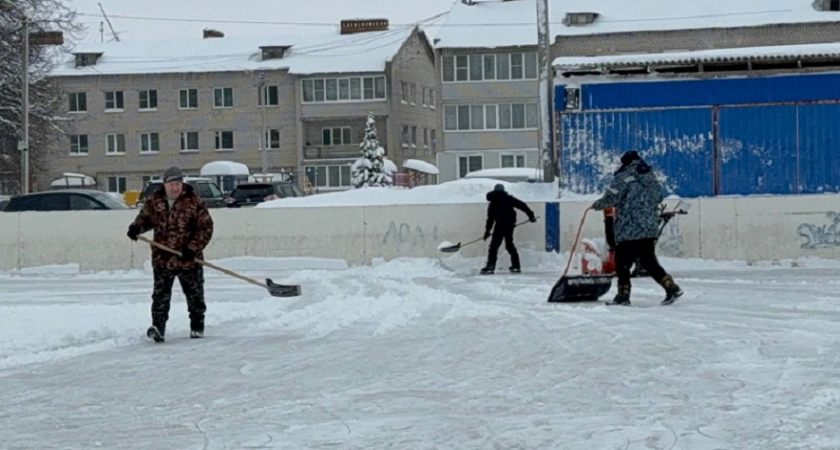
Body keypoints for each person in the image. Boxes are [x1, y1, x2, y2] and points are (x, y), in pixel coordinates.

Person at [127, 166, 214, 342]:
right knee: (160, 297)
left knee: (195, 296)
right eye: (171, 184)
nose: (175, 187)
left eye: (178, 183)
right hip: (162, 259)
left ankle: (197, 326)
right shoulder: (154, 201)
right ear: (165, 185)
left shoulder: (194, 202)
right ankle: (158, 327)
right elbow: (145, 218)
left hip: (189, 260)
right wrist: (136, 228)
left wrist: (192, 248)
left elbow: (205, 228)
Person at [592, 151, 683, 306]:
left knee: (622, 263)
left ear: (625, 162)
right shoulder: (650, 176)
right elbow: (659, 197)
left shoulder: (623, 176)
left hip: (630, 228)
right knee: (649, 262)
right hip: (648, 228)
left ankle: (623, 296)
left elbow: (612, 198)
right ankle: (671, 287)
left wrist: (597, 205)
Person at [481, 184, 537, 275]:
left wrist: (487, 231)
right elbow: (523, 205)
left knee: (494, 247)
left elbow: (490, 218)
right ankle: (516, 265)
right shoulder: (509, 199)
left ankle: (491, 265)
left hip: (500, 226)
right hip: (509, 225)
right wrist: (531, 216)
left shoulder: (493, 202)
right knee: (509, 245)